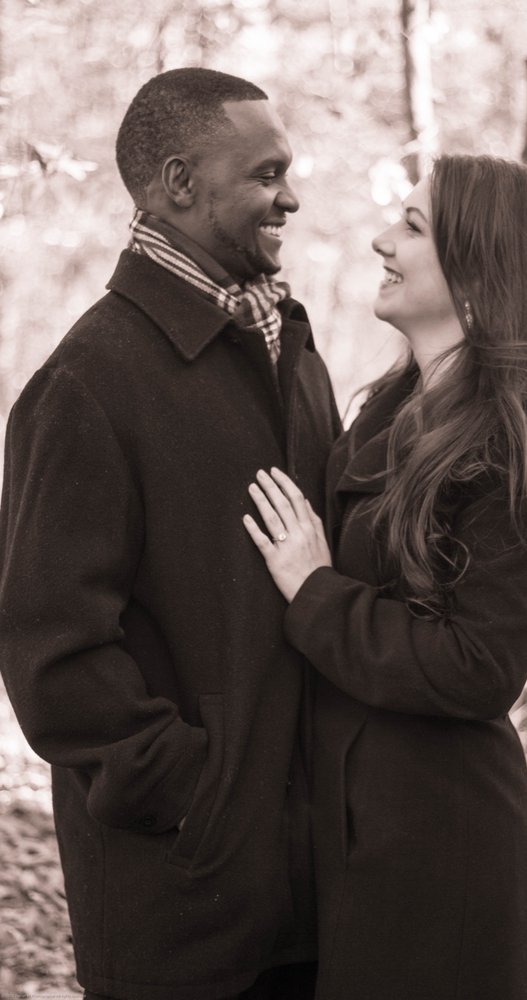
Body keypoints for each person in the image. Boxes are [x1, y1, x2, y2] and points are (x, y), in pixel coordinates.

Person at [0, 68, 340, 1000]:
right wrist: (205, 798)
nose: (291, 197)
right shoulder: (84, 385)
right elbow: (54, 661)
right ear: (181, 183)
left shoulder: (295, 353)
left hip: (320, 904)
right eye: (266, 174)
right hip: (180, 914)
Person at [244, 154, 527, 1000]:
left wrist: (315, 591)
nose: (380, 240)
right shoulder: (383, 412)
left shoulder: (524, 445)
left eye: (412, 226)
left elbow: (478, 667)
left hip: (439, 842)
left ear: (478, 265)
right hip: (345, 829)